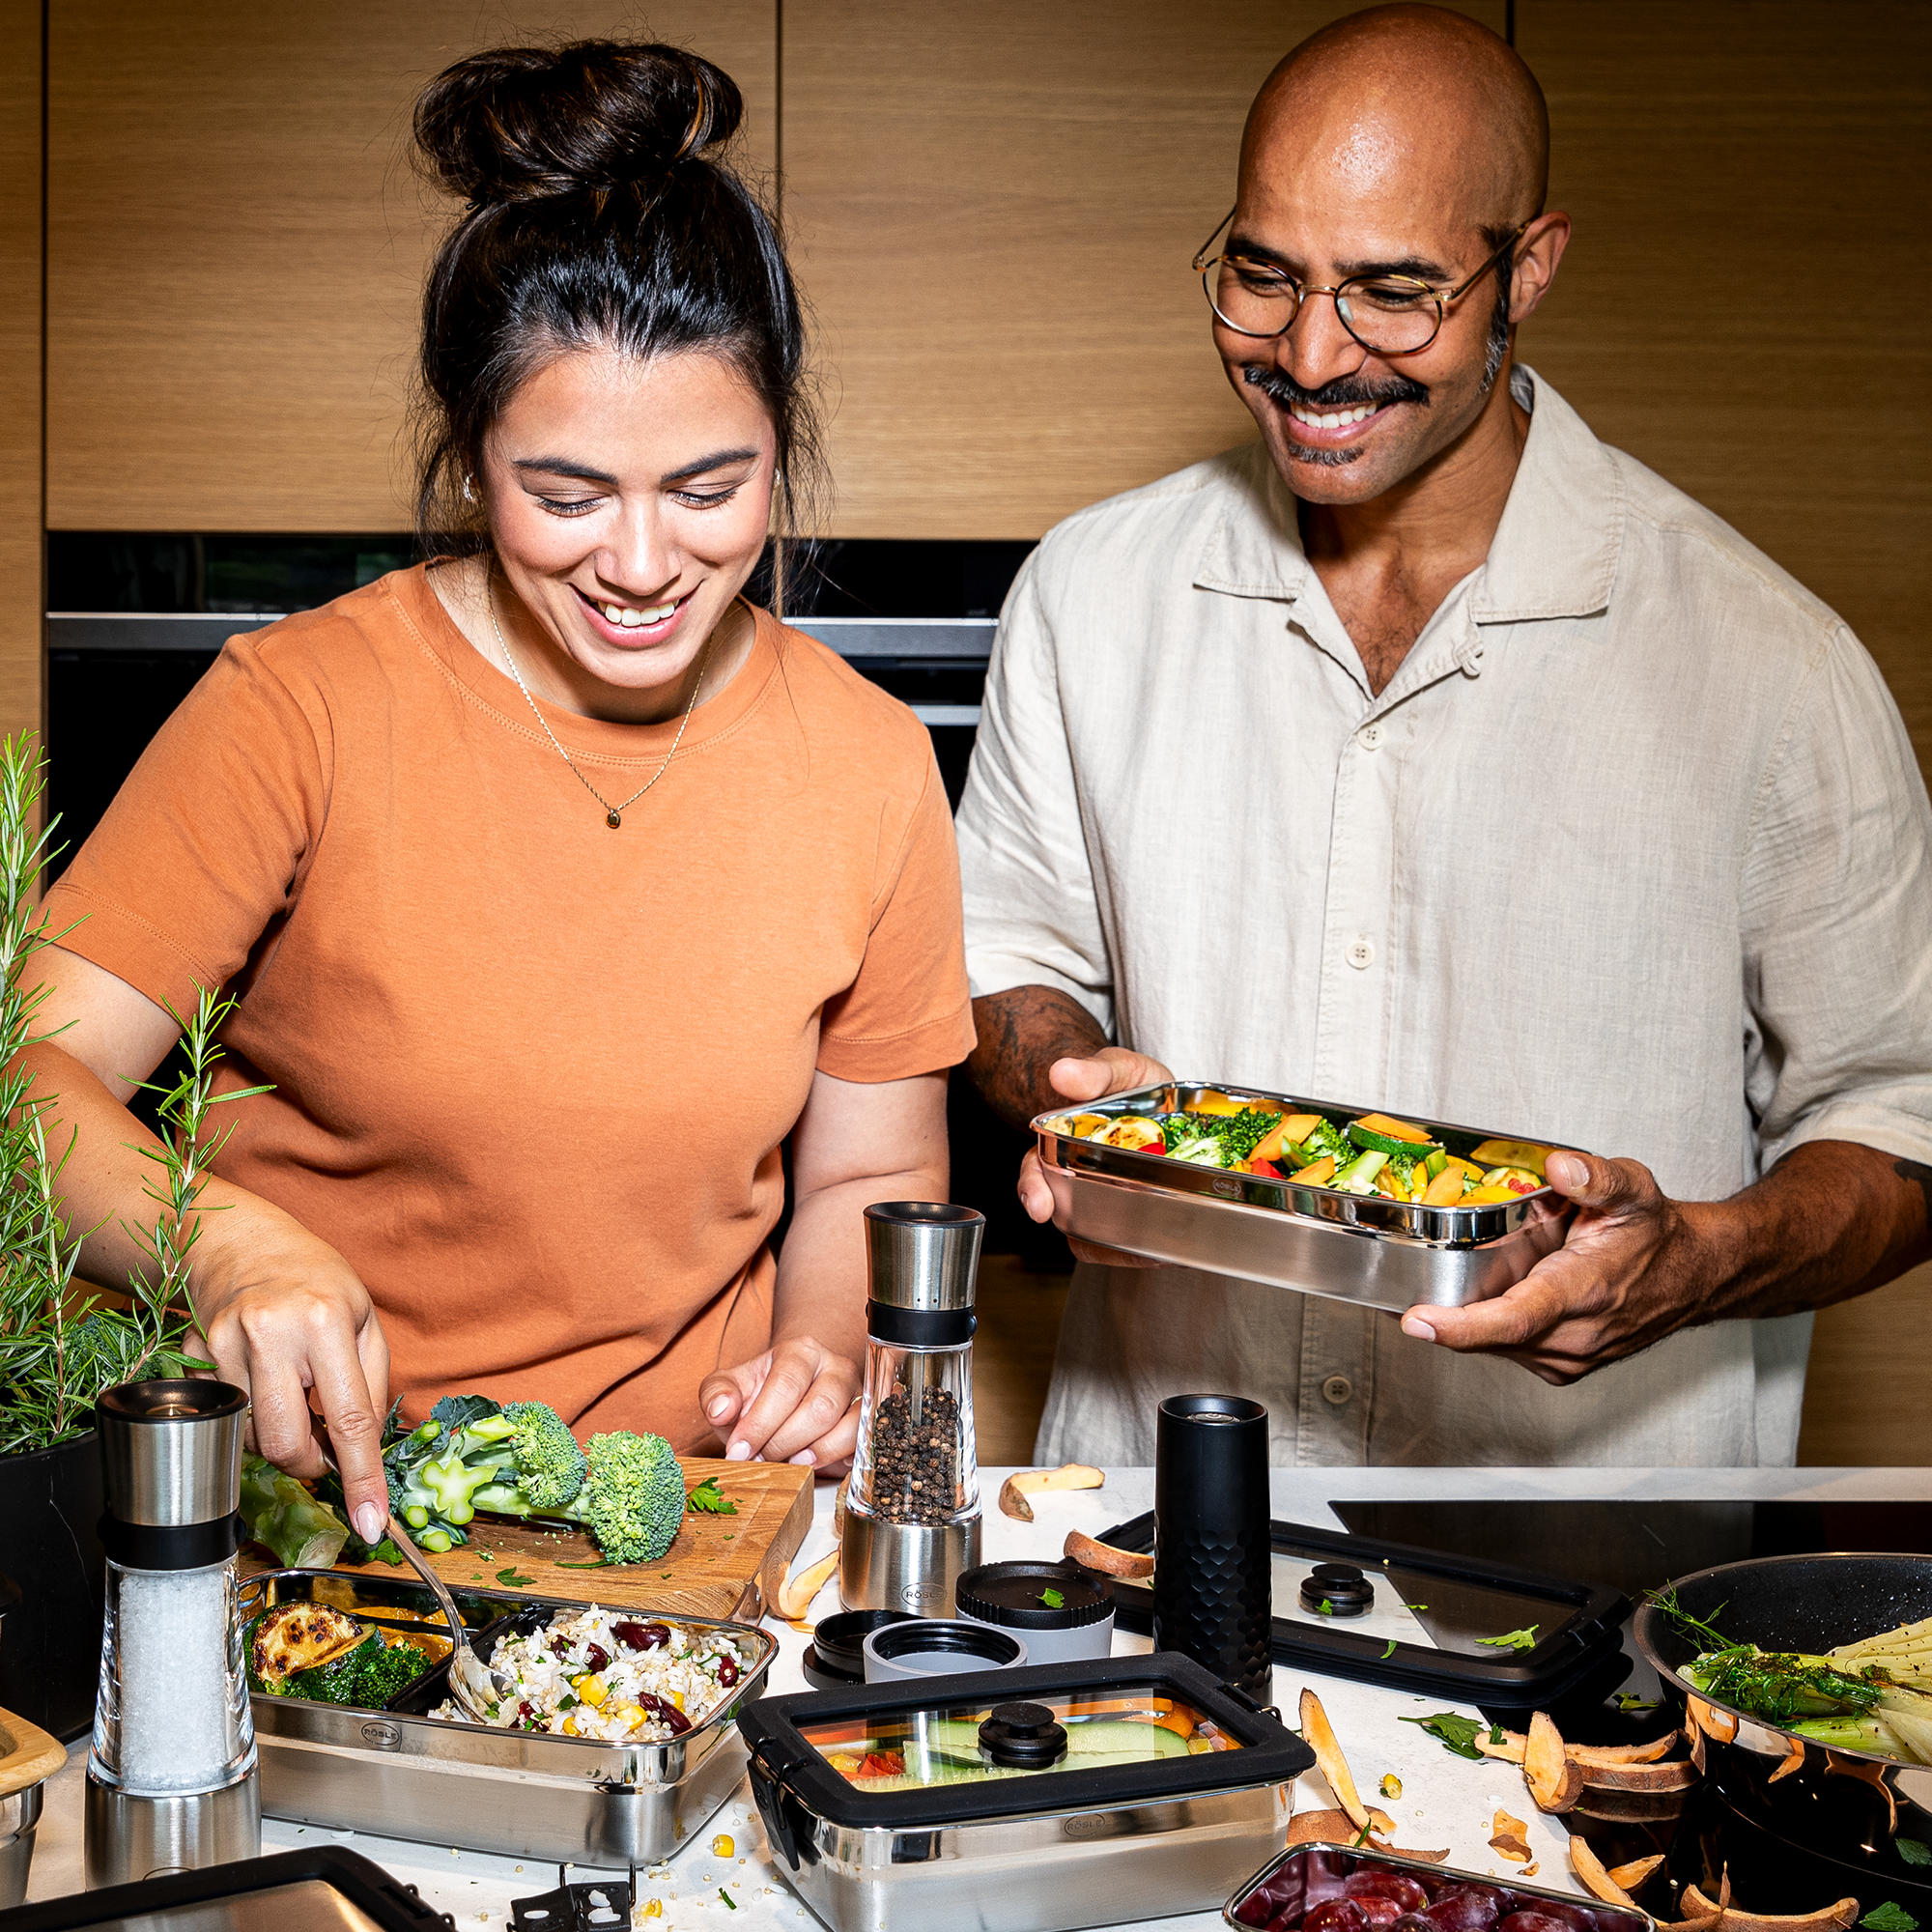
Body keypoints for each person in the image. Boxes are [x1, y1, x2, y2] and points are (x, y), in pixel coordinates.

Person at [957, 3, 1932, 1466]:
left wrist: (1698, 1259)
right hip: (1155, 1514)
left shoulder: (1772, 660)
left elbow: (1903, 1121)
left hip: (1585, 1558)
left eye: (1393, 292)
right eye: (1261, 276)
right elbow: (1006, 964)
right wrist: (1068, 1086)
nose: (1308, 352)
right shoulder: (1090, 593)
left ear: (1527, 267)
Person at [28, 41, 976, 1544]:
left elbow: (872, 1163)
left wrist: (816, 1351)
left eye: (711, 489)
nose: (646, 564)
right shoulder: (298, 707)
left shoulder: (866, 760)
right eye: (568, 494)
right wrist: (222, 1246)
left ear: (782, 449)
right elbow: (26, 1077)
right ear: (472, 461)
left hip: (689, 1535)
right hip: (311, 1524)